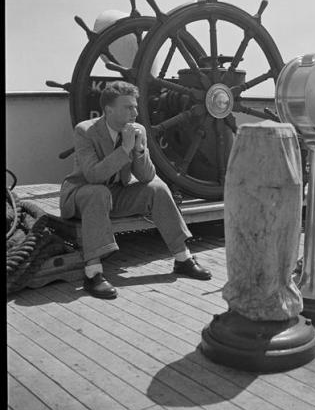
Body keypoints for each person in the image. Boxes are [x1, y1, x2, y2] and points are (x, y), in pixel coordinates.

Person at [60, 81, 211, 299]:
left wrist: (138, 149)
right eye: (128, 107)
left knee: (157, 188)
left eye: (135, 106)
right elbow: (93, 176)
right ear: (109, 110)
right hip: (81, 195)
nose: (135, 112)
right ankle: (93, 273)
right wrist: (124, 150)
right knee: (98, 192)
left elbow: (147, 176)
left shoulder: (137, 130)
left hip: (114, 195)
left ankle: (183, 258)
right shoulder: (86, 131)